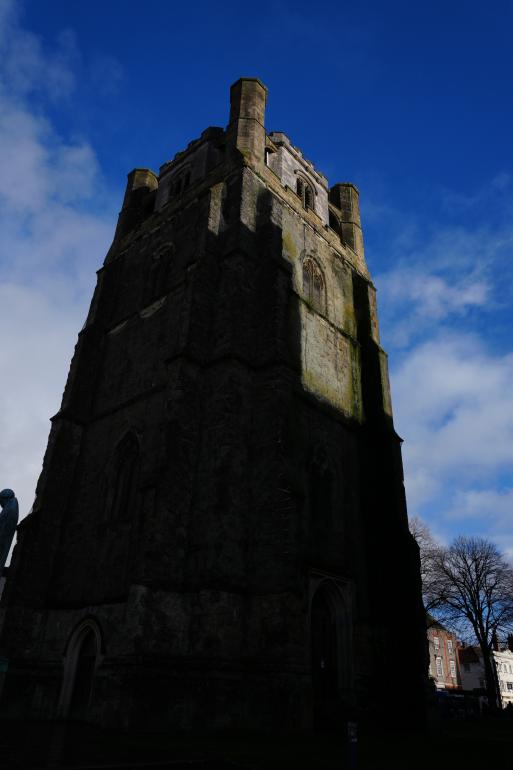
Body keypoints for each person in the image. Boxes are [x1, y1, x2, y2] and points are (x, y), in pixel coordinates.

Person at [0, 489, 19, 573]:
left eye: (1, 501)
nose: (1, 504)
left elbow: (4, 530)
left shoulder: (10, 509)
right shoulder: (10, 507)